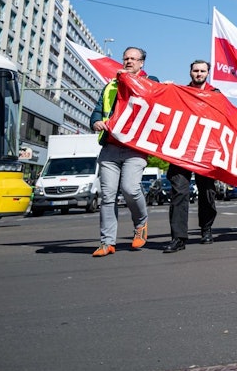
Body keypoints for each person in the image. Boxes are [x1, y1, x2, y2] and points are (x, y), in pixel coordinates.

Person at [89, 46, 156, 257]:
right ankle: (107, 242)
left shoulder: (150, 81)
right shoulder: (111, 85)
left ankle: (141, 223)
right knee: (108, 196)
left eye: (133, 59)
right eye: (126, 58)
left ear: (141, 63)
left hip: (135, 148)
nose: (129, 62)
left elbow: (160, 98)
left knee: (130, 188)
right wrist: (96, 122)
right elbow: (97, 111)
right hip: (110, 147)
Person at [163, 60, 220, 253]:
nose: (199, 73)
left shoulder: (216, 94)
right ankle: (178, 238)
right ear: (190, 72)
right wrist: (165, 89)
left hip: (206, 151)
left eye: (203, 71)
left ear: (208, 73)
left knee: (207, 192)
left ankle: (206, 229)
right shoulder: (179, 92)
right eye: (196, 70)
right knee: (179, 191)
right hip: (182, 150)